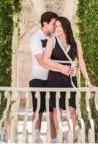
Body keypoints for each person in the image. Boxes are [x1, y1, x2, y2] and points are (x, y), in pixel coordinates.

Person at [29, 12, 77, 143]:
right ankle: (36, 138)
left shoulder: (56, 37)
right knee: (38, 110)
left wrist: (72, 68)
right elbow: (42, 61)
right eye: (53, 24)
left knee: (52, 110)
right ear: (45, 23)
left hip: (52, 79)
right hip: (38, 78)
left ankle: (55, 139)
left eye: (57, 24)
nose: (55, 27)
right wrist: (63, 69)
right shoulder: (35, 39)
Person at [43, 16, 94, 138]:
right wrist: (62, 68)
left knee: (72, 109)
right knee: (57, 109)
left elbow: (81, 61)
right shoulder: (52, 41)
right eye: (56, 26)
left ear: (66, 27)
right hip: (55, 77)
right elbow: (45, 59)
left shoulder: (76, 43)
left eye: (60, 26)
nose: (57, 28)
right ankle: (60, 136)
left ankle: (71, 136)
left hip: (70, 78)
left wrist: (86, 79)